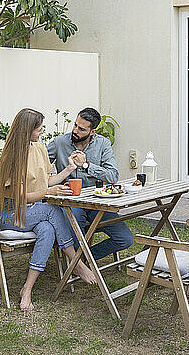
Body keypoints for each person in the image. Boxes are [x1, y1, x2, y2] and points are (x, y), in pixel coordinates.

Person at [0, 108, 97, 312]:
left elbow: (46, 180)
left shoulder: (39, 148)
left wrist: (68, 170)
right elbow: (20, 196)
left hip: (35, 213)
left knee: (47, 230)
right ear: (27, 129)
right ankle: (75, 262)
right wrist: (49, 192)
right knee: (53, 210)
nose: (42, 130)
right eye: (39, 127)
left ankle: (27, 289)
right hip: (13, 215)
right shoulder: (11, 156)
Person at [47, 107, 134, 260]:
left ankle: (83, 260)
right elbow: (36, 168)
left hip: (96, 202)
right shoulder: (59, 143)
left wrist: (86, 165)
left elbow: (113, 176)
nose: (75, 130)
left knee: (125, 238)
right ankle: (78, 261)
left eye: (81, 129)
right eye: (75, 125)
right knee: (74, 229)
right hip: (70, 202)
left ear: (92, 131)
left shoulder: (103, 144)